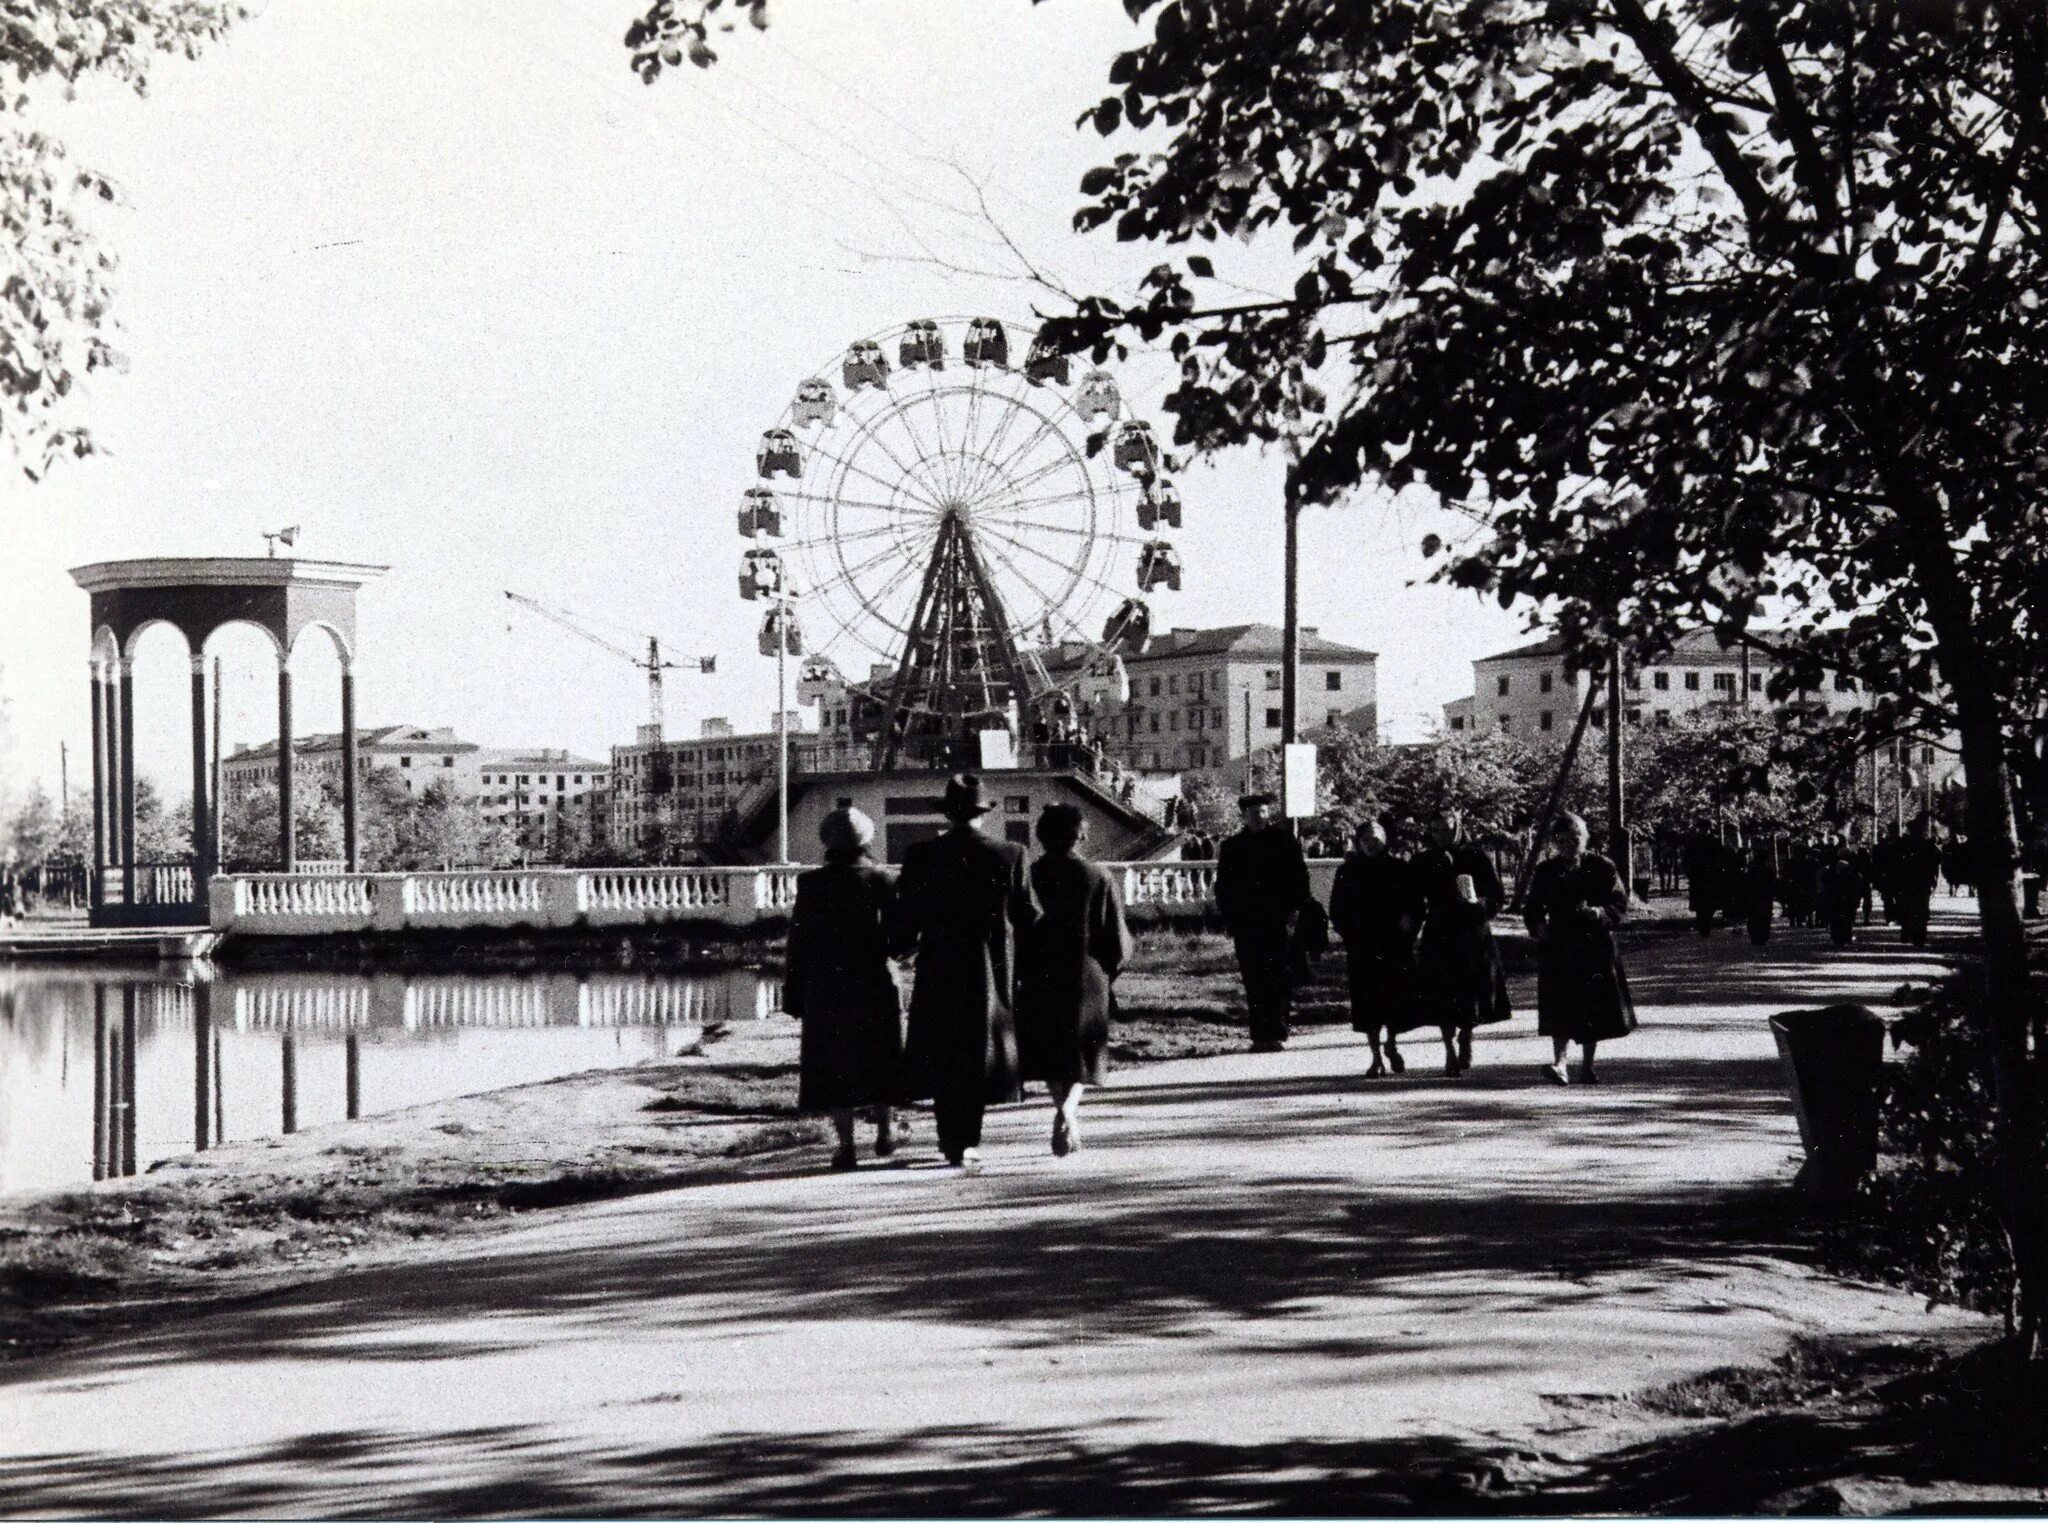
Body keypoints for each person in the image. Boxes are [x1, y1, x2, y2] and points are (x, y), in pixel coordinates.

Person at [892, 773, 1039, 1172]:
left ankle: (949, 1137)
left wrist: (901, 948)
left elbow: (906, 919)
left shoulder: (921, 855)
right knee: (979, 1048)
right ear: (983, 814)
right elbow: (1028, 917)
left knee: (943, 1047)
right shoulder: (1011, 854)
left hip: (939, 963)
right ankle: (968, 1139)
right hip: (991, 964)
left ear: (949, 812)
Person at [783, 806, 903, 1171]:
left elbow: (798, 943)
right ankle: (885, 1129)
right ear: (866, 841)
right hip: (875, 982)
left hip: (827, 986)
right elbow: (900, 938)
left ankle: (846, 1145)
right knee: (882, 1057)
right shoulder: (883, 880)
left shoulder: (812, 884)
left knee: (834, 1064)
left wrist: (794, 991)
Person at [1016, 803, 1131, 1156]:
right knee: (1083, 1053)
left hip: (1041, 972)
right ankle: (1068, 1112)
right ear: (1080, 833)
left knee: (1053, 1053)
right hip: (1087, 973)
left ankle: (1064, 1112)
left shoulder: (1031, 875)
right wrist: (1114, 967)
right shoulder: (1098, 876)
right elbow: (1115, 937)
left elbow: (1019, 926)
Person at [1524, 810, 1636, 1084]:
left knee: (1591, 1006)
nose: (1567, 845)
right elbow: (1533, 906)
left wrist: (1600, 913)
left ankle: (1587, 1066)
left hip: (1593, 944)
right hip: (1559, 944)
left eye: (1573, 839)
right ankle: (1560, 1063)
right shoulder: (1546, 870)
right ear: (1554, 842)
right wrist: (1537, 926)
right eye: (1561, 840)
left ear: (1584, 839)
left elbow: (1620, 903)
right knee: (1558, 1006)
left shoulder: (1603, 867)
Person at [1412, 812, 1511, 1074]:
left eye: (1446, 830)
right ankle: (1449, 1049)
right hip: (1439, 933)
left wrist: (1481, 904)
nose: (1441, 836)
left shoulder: (1475, 857)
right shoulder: (1422, 860)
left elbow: (1496, 895)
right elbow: (1412, 897)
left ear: (1457, 829)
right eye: (1435, 831)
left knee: (1469, 991)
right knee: (1441, 993)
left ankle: (1466, 1035)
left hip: (1471, 931)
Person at [1328, 818, 1427, 1077]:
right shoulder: (1348, 871)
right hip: (1363, 945)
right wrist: (1348, 932)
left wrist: (1410, 924)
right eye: (1366, 840)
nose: (1371, 845)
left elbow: (1416, 905)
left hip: (1394, 944)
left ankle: (1391, 1044)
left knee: (1395, 999)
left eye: (1376, 839)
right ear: (1358, 843)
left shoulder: (1399, 868)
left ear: (1385, 840)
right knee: (1367, 1003)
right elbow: (1337, 908)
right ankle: (1375, 1057)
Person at [1214, 793, 1311, 1052]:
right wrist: (1230, 918)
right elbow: (1223, 887)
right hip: (1246, 923)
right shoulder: (1232, 847)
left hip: (1277, 921)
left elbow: (1299, 877)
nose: (1260, 816)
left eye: (1264, 811)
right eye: (1254, 812)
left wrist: (1294, 909)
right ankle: (1259, 1035)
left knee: (1278, 976)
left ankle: (1277, 1031)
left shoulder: (1283, 841)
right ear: (1244, 816)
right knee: (1254, 979)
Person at [1893, 815, 1942, 947]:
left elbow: (1893, 863)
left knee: (1905, 906)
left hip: (1905, 882)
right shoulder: (1928, 845)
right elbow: (1938, 860)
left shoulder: (1901, 843)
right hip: (1922, 882)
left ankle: (1906, 930)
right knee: (1921, 909)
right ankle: (1919, 936)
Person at [1819, 839, 1867, 947]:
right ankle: (1846, 937)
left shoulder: (1831, 869)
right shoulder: (1852, 870)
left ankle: (1837, 937)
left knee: (1836, 917)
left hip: (1835, 898)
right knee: (1848, 918)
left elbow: (1825, 883)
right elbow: (1857, 884)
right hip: (1848, 898)